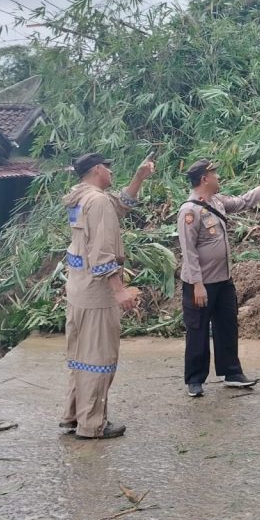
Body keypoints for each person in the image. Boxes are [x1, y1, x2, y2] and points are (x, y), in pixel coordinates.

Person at [59, 151, 154, 440]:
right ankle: (93, 425)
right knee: (99, 358)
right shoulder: (97, 201)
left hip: (78, 289)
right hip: (97, 293)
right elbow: (102, 251)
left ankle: (75, 416)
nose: (113, 174)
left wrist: (139, 177)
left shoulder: (80, 196)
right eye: (109, 169)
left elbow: (120, 205)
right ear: (98, 169)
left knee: (80, 356)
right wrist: (119, 289)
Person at [177, 159, 260, 398]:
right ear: (205, 178)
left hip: (223, 281)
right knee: (197, 331)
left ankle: (232, 373)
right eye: (215, 173)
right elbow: (189, 251)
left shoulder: (217, 201)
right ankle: (195, 380)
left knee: (227, 326)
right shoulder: (189, 211)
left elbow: (243, 201)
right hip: (200, 284)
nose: (218, 177)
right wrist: (197, 284)